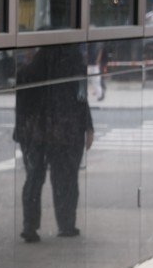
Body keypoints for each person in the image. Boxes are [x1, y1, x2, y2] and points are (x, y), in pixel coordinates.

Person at [14, 45, 94, 243]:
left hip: (35, 133)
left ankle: (30, 226)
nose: (28, 51)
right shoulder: (72, 66)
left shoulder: (27, 72)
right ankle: (66, 225)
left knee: (34, 178)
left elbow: (21, 107)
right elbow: (81, 99)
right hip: (63, 132)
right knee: (65, 179)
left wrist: (22, 133)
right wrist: (87, 127)